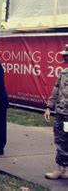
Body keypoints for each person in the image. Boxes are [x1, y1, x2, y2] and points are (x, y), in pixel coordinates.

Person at [44, 44, 68, 179]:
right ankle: (61, 169)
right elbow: (56, 90)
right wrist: (49, 107)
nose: (64, 57)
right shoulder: (64, 73)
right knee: (61, 140)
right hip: (62, 114)